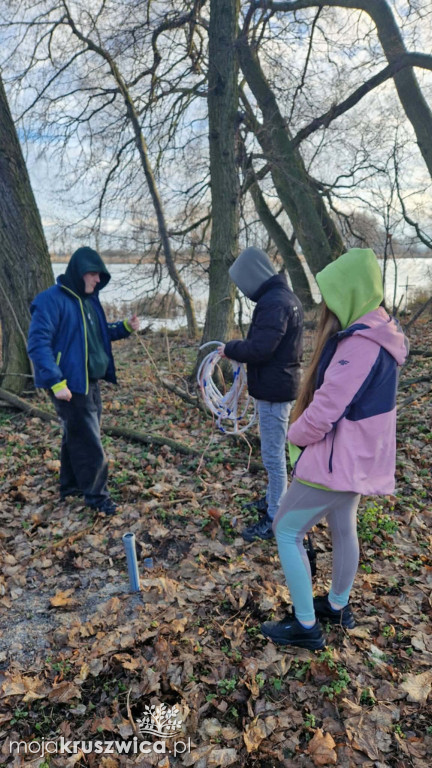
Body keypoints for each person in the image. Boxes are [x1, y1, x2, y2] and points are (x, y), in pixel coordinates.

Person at [260, 247, 409, 650]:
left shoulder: (361, 343)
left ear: (349, 291)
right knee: (343, 527)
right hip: (358, 461)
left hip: (336, 461)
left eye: (331, 293)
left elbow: (327, 408)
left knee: (285, 529)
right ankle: (338, 606)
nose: (326, 303)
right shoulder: (384, 332)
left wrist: (294, 435)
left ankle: (306, 624)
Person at [27, 246, 139, 515]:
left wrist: (123, 327)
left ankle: (70, 485)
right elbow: (37, 344)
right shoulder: (50, 301)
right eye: (93, 274)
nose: (98, 280)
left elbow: (99, 335)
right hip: (68, 384)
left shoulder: (90, 301)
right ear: (79, 273)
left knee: (76, 432)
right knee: (89, 441)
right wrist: (56, 382)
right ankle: (97, 498)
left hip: (90, 380)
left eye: (100, 275)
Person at [219, 246, 304, 541]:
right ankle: (272, 500)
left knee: (272, 456)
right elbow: (267, 343)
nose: (244, 291)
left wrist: (230, 348)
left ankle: (274, 516)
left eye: (243, 284)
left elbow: (261, 348)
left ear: (253, 277)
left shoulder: (274, 303)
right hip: (277, 386)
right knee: (273, 452)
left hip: (275, 391)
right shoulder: (282, 297)